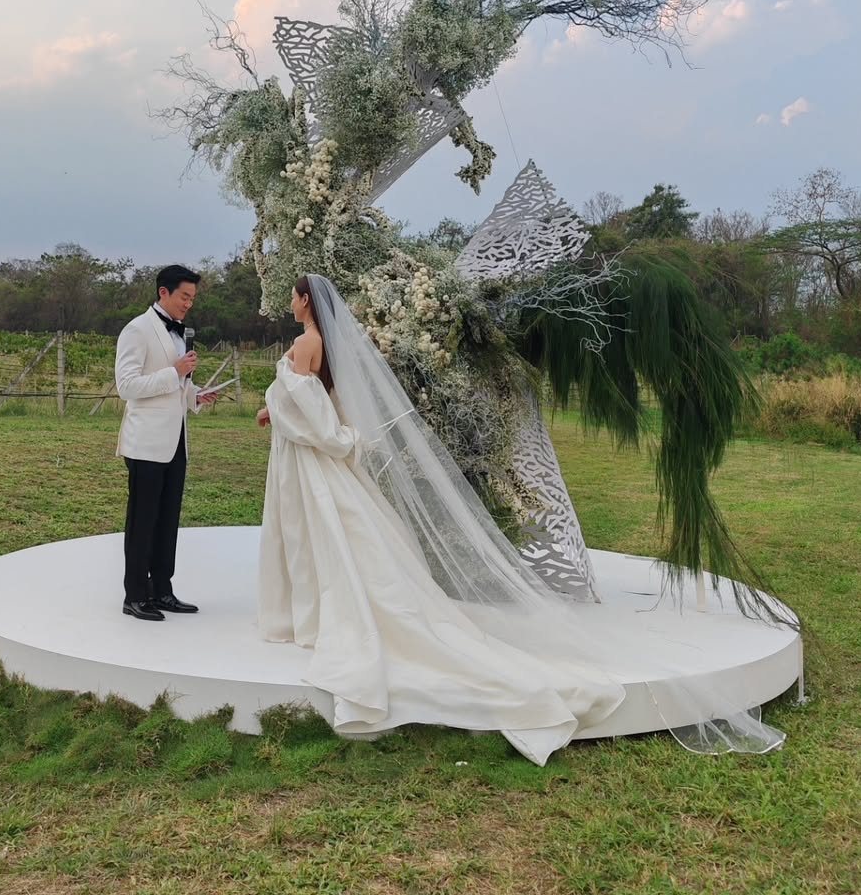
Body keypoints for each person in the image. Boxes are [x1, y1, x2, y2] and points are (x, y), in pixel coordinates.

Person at [256, 274, 787, 765]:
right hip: (312, 458)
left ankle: (323, 617)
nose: (290, 302)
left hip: (312, 460)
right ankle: (321, 612)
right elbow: (314, 400)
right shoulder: (323, 347)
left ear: (305, 301)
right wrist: (275, 408)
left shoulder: (306, 343)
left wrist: (293, 417)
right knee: (336, 538)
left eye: (294, 295)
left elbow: (316, 420)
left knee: (319, 536)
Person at [115, 264, 217, 620]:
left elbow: (177, 385)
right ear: (163, 292)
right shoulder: (136, 330)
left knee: (168, 520)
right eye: (184, 297)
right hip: (145, 442)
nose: (189, 304)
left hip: (177, 441)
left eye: (193, 298)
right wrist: (174, 372)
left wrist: (195, 395)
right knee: (142, 521)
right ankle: (134, 596)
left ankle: (162, 590)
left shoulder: (181, 334)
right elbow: (127, 386)